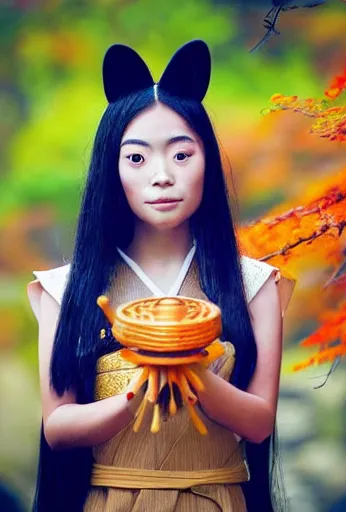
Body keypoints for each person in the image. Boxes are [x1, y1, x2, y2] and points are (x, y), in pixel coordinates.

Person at [27, 40, 295, 511]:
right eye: (136, 158)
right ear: (111, 170)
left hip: (216, 499)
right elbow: (59, 427)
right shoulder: (66, 288)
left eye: (180, 155)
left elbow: (259, 422)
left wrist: (192, 372)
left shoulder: (253, 284)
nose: (162, 176)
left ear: (207, 161)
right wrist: (137, 389)